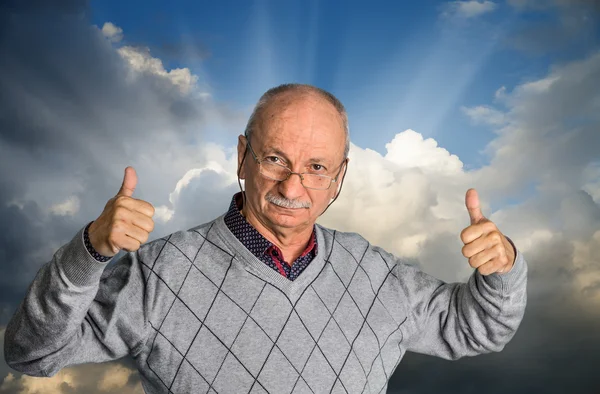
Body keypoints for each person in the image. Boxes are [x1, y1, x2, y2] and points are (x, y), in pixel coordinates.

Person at [4, 84, 527, 394]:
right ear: (242, 157)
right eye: (276, 158)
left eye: (316, 167)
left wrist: (501, 271)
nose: (293, 185)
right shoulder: (157, 277)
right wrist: (90, 250)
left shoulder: (375, 274)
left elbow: (476, 328)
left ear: (339, 177)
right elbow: (30, 354)